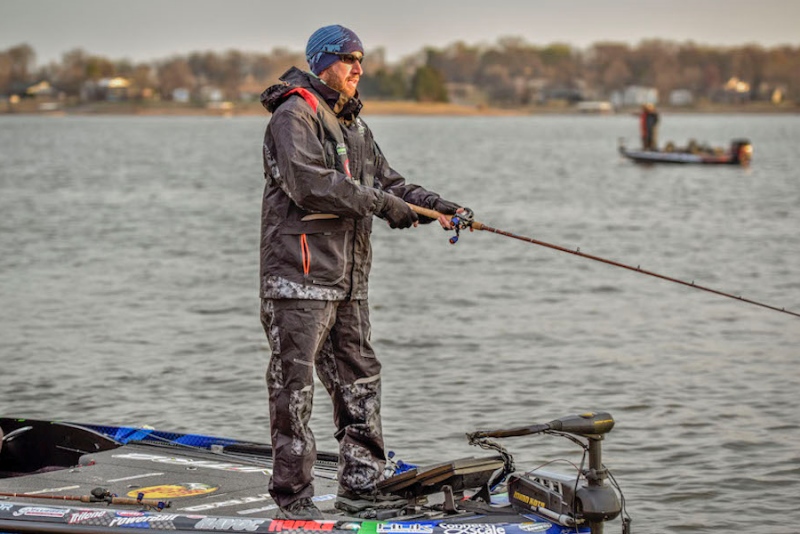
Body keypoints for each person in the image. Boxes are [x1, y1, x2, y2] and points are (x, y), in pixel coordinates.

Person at [258, 24, 465, 520]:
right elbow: (312, 185)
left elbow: (390, 183)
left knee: (361, 380)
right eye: (348, 59)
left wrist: (436, 206)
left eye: (361, 59)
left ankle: (363, 483)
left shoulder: (355, 126)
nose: (358, 68)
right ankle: (294, 499)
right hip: (298, 281)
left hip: (348, 283)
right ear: (321, 62)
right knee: (296, 389)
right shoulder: (295, 115)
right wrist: (384, 205)